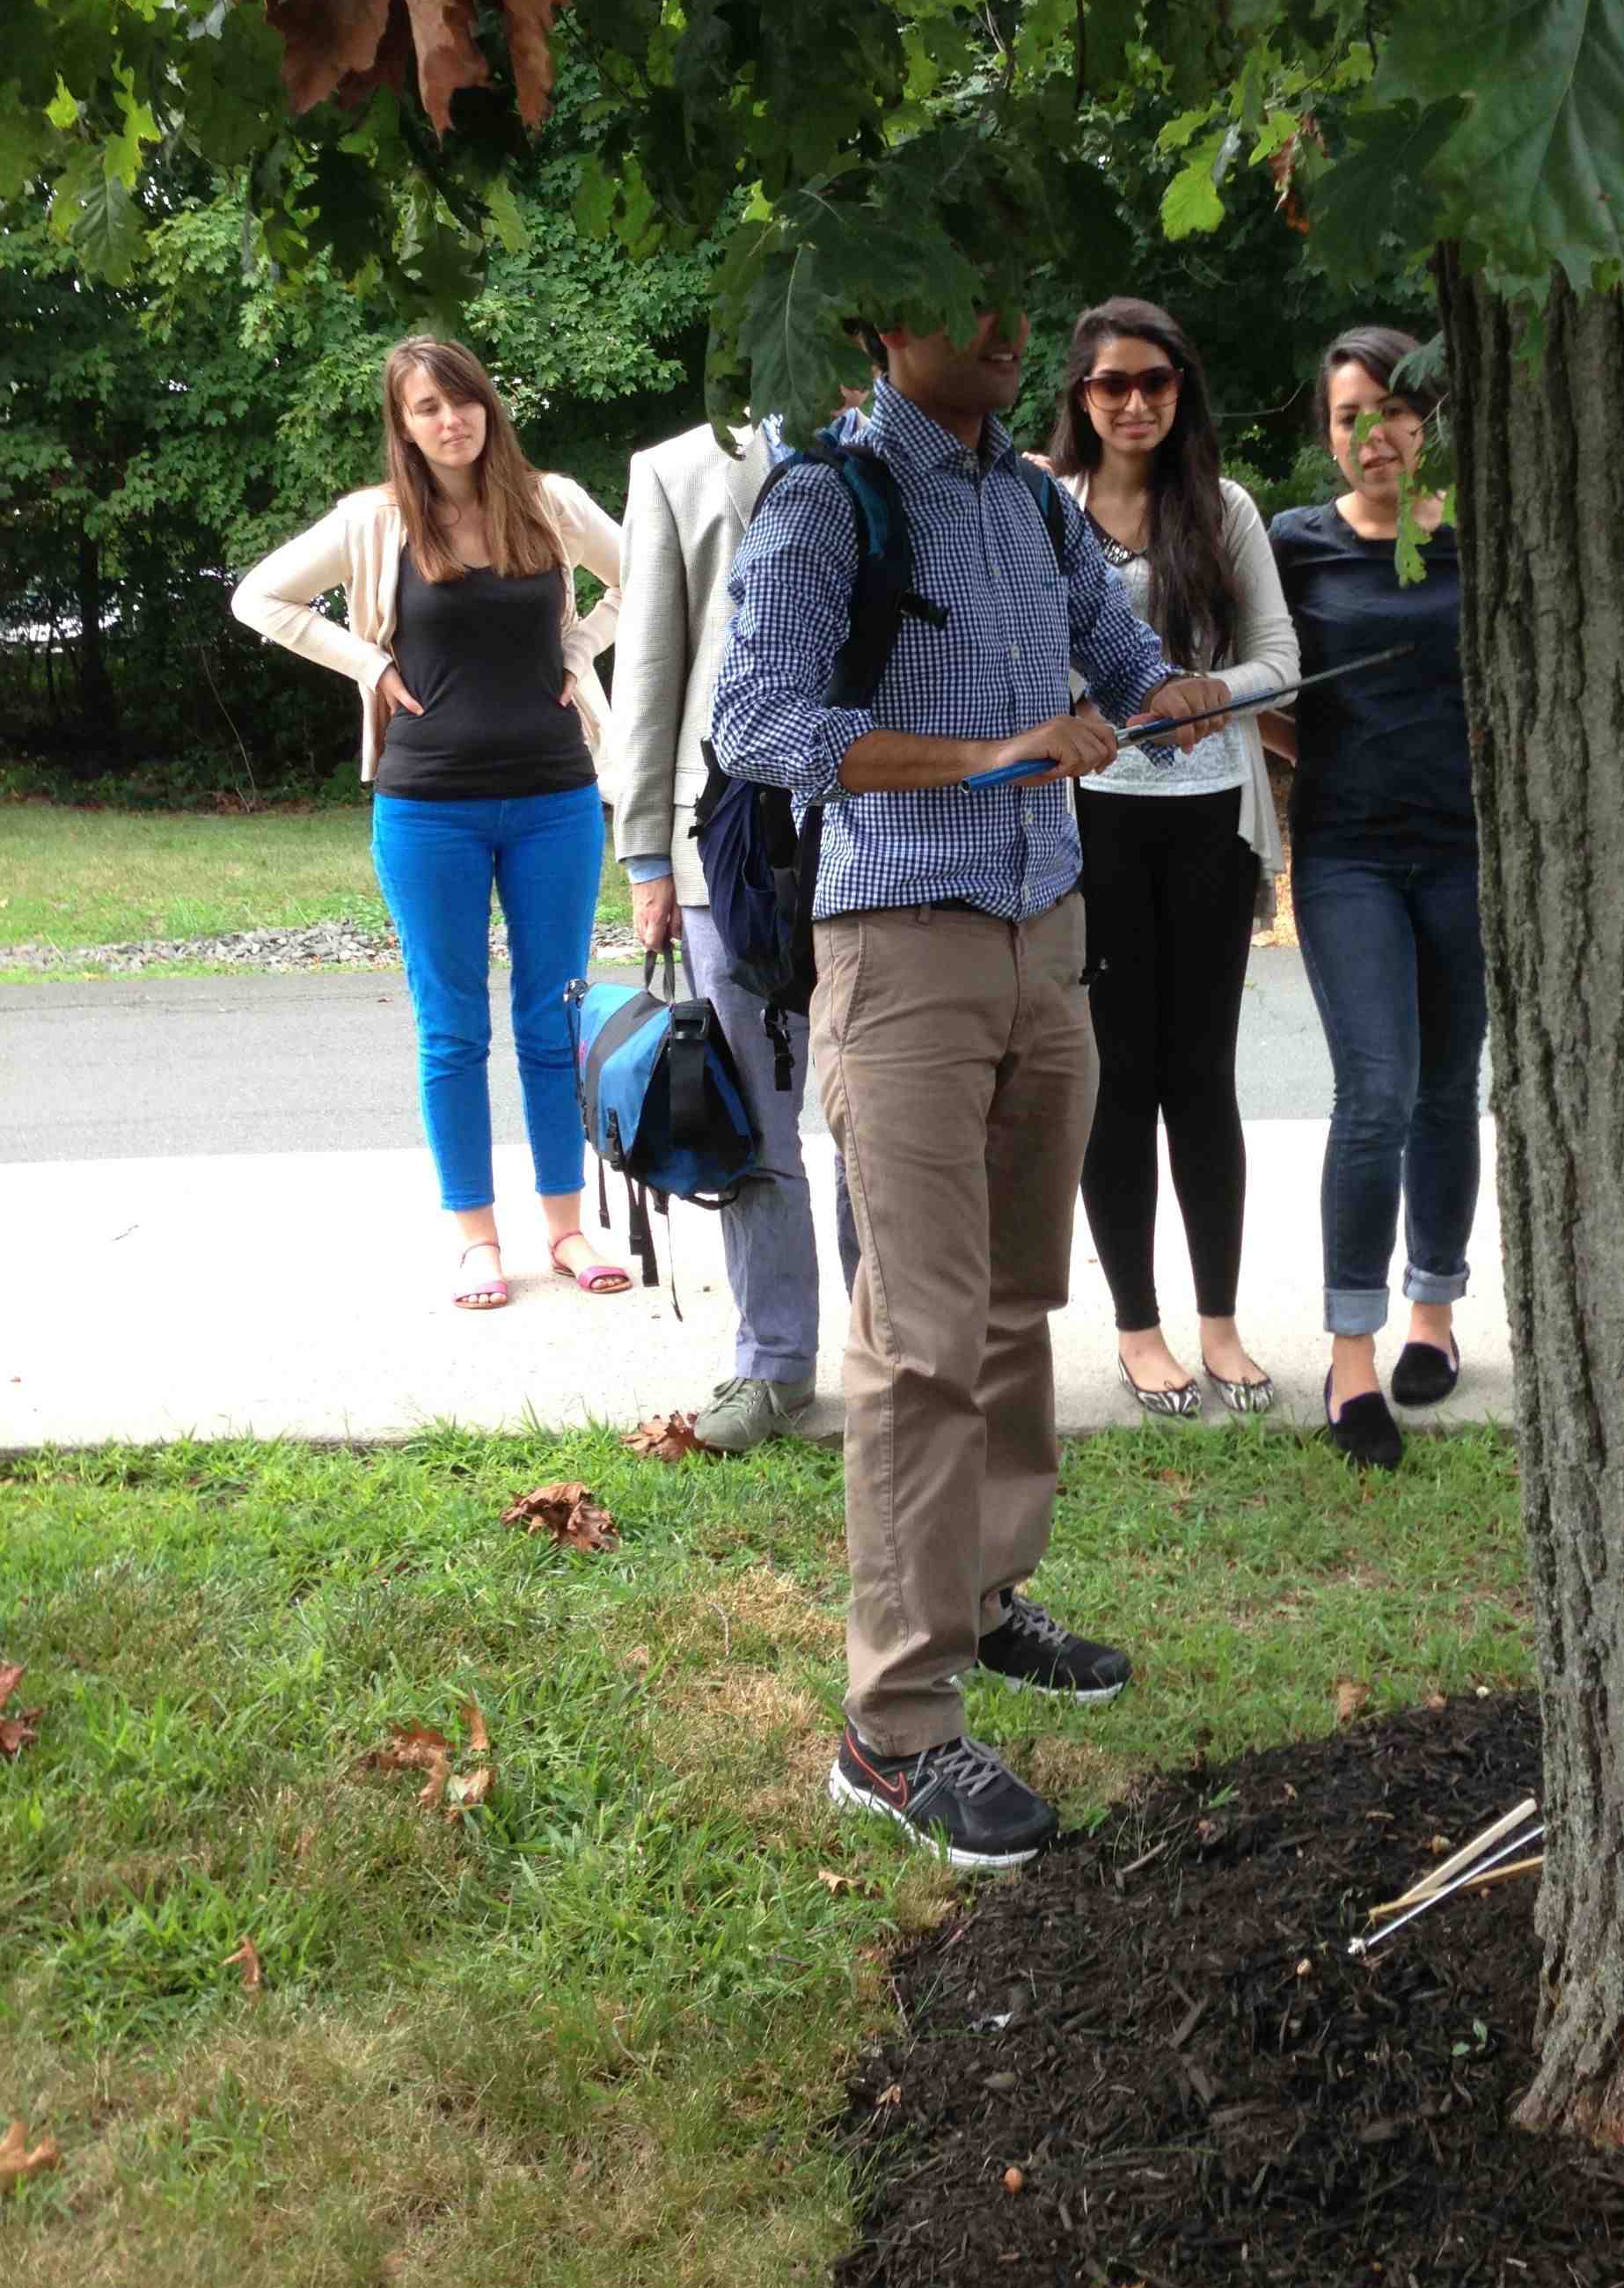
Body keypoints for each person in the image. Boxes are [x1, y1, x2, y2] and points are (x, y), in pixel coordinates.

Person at [710, 298, 1229, 1868]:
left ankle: (986, 1596)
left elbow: (1118, 656)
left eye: (1015, 295)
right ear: (882, 324)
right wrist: (990, 753)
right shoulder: (829, 497)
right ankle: (892, 1729)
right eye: (963, 299)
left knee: (1012, 1304)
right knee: (921, 1335)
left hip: (1042, 937)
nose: (1006, 326)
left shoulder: (1029, 501)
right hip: (900, 946)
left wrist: (1165, 695)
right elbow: (757, 723)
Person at [232, 335, 625, 1309]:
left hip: (555, 798)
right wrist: (369, 664)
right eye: (427, 407)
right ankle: (476, 1240)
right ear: (403, 426)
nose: (451, 421)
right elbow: (260, 597)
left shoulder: (552, 504)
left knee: (552, 1020)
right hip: (427, 806)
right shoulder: (375, 521)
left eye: (463, 400)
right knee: (452, 1029)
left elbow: (649, 575)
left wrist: (580, 648)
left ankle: (566, 1228)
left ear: (488, 406)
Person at [1046, 298, 1298, 1417]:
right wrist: (1076, 708)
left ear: (1181, 389)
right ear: (1081, 395)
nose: (1136, 402)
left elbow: (1280, 659)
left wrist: (1209, 691)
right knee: (1117, 1076)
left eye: (1156, 381)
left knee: (1202, 1076)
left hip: (1211, 824)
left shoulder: (1225, 508)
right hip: (1092, 823)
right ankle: (1138, 1328)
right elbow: (1021, 657)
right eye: (1113, 384)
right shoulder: (1046, 510)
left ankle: (1222, 1325)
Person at [609, 389, 865, 1450]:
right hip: (724, 847)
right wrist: (645, 854)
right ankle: (775, 1367)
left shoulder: (916, 457)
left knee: (880, 1122)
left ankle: (898, 1358)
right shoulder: (676, 471)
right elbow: (648, 663)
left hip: (882, 835)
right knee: (755, 1123)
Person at [1264, 326, 1484, 1472]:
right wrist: (1326, 752)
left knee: (1448, 1089)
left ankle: (1432, 1314)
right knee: (1378, 1090)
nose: (1376, 434)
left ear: (1429, 420)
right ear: (1328, 432)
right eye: (1351, 416)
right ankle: (1351, 1358)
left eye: (1395, 410)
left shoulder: (1477, 537)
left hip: (1466, 854)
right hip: (1346, 855)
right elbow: (1258, 681)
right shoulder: (1295, 544)